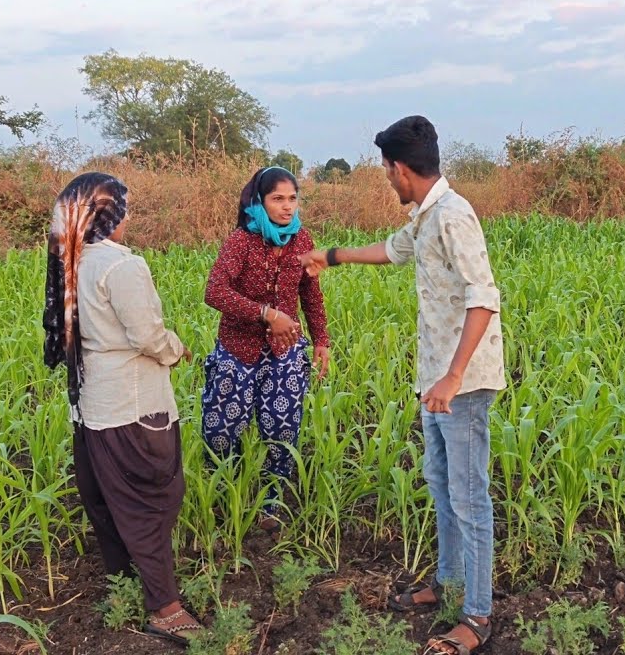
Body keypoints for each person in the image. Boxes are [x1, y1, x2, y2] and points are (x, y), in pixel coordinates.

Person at [300, 115, 505, 655]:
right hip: (436, 378)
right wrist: (333, 256)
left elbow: (483, 298)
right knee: (442, 485)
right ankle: (446, 583)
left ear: (398, 168)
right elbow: (394, 250)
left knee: (468, 496)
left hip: (460, 381)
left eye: (386, 171)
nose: (387, 180)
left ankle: (477, 615)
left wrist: (455, 375)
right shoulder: (426, 214)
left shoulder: (454, 217)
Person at [41, 172, 204, 645]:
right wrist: (177, 348)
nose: (128, 214)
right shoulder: (121, 266)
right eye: (124, 207)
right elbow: (148, 336)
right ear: (109, 215)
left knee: (105, 496)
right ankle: (165, 608)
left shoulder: (73, 261)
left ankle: (122, 584)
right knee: (151, 500)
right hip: (132, 404)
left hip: (91, 403)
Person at [201, 165, 330, 532]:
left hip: (285, 351)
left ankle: (272, 502)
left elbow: (310, 293)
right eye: (278, 199)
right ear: (260, 201)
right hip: (237, 348)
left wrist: (321, 340)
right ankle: (227, 495)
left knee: (283, 426)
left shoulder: (301, 240)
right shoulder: (241, 242)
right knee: (222, 428)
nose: (287, 207)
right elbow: (215, 291)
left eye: (292, 199)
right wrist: (266, 313)